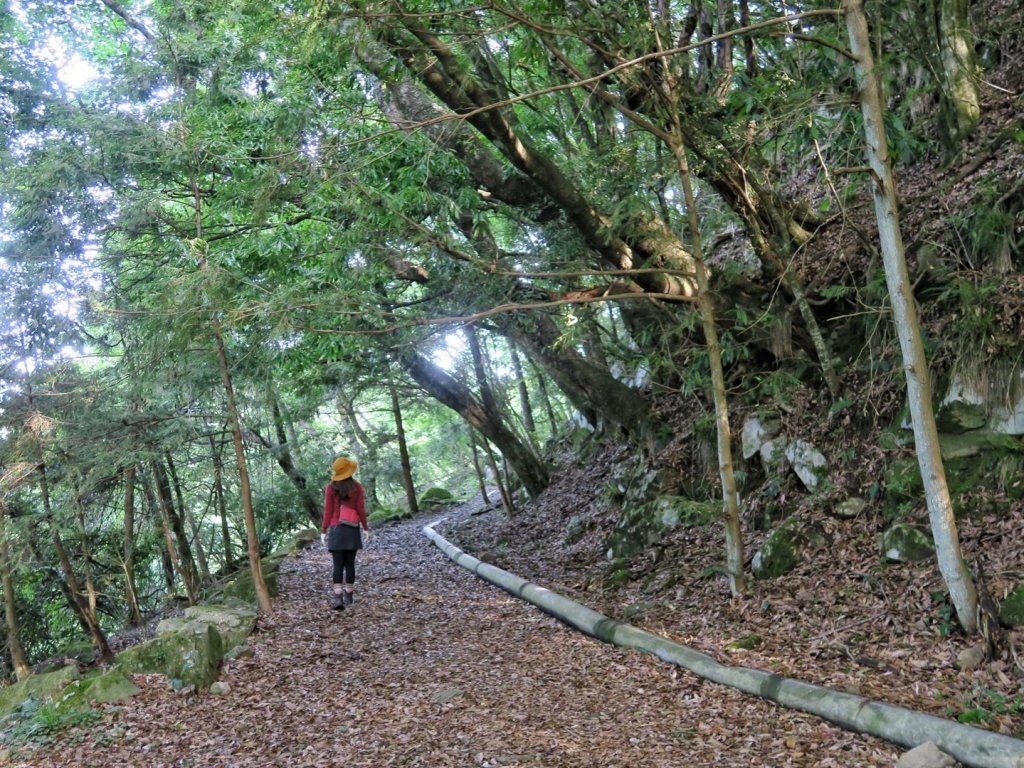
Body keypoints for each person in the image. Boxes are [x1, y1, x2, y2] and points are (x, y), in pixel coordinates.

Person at [320, 456, 369, 610]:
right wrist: (365, 527)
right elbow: (361, 509)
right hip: (352, 528)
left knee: (337, 565)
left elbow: (327, 511)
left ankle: (338, 599)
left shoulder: (330, 488)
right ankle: (349, 595)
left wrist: (323, 530)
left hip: (336, 529)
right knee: (350, 564)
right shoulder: (358, 487)